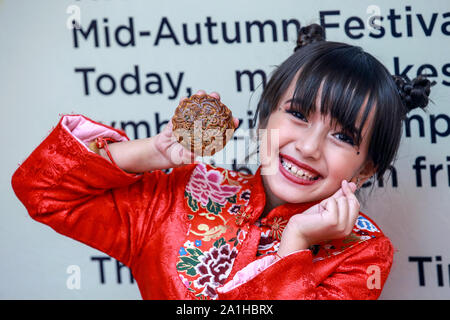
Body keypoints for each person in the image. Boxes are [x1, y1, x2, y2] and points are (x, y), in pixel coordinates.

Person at [11, 23, 433, 300]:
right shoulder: (184, 193)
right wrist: (152, 153)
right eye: (299, 115)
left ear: (365, 169)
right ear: (264, 117)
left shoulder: (361, 254)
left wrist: (294, 246)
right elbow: (43, 192)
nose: (308, 147)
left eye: (342, 137)